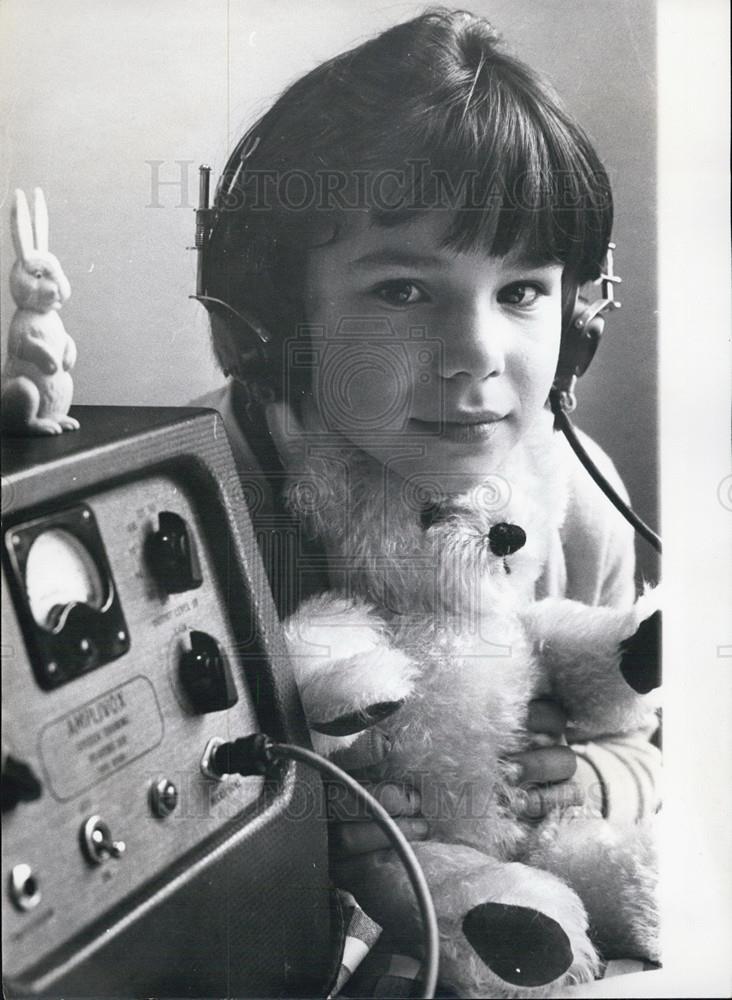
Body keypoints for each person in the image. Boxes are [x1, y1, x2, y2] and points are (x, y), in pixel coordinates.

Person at [195, 7, 660, 990]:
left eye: (524, 291)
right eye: (404, 291)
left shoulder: (576, 491)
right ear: (280, 325)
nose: (478, 357)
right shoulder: (202, 491)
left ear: (582, 321)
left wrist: (595, 780)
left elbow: (652, 746)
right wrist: (311, 835)